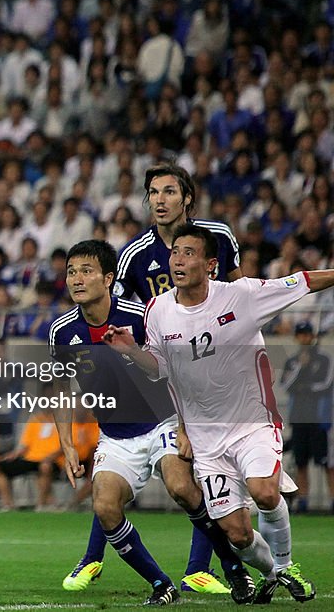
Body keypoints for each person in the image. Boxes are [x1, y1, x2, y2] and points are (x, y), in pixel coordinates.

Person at [105, 223, 327, 603]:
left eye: (188, 253)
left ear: (210, 265)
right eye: (175, 252)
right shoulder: (158, 310)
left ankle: (289, 567)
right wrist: (131, 351)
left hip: (252, 422)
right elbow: (158, 368)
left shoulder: (241, 296)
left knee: (263, 492)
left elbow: (302, 280)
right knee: (236, 534)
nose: (177, 259)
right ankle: (274, 573)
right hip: (206, 440)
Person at [51, 240, 252, 605]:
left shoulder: (141, 315)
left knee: (182, 487)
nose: (77, 279)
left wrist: (186, 427)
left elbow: (178, 371)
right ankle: (162, 585)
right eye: (71, 272)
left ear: (109, 278)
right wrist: (66, 444)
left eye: (86, 271)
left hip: (162, 421)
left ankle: (234, 568)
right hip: (115, 436)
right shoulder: (63, 332)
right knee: (104, 506)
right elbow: (61, 388)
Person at [114, 164, 240, 302]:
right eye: (154, 192)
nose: (160, 200)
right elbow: (115, 308)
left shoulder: (219, 235)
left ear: (187, 198)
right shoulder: (133, 254)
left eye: (169, 192)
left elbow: (241, 291)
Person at [278, 322, 334, 514]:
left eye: (307, 334)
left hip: (319, 418)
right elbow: (285, 385)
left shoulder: (324, 360)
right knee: (301, 462)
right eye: (301, 335)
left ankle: (332, 499)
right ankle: (303, 500)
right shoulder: (293, 362)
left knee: (326, 462)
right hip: (299, 418)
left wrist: (306, 387)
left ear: (312, 336)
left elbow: (326, 384)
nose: (304, 338)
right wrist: (300, 369)